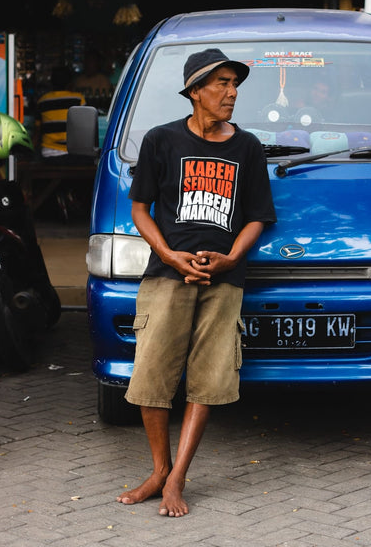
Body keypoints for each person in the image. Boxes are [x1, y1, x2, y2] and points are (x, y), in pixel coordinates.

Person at [116, 48, 276, 517]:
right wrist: (168, 254)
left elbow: (258, 218)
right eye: (222, 84)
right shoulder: (161, 140)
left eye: (235, 85)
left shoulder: (246, 147)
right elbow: (140, 208)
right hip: (167, 275)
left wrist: (230, 259)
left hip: (223, 283)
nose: (232, 93)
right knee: (151, 378)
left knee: (207, 382)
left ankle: (178, 478)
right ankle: (158, 471)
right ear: (195, 91)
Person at [35, 66, 85, 158]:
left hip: (48, 153)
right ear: (70, 83)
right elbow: (85, 129)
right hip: (73, 153)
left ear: (51, 82)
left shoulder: (42, 101)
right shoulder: (78, 99)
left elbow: (37, 131)